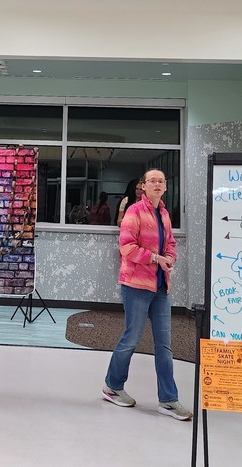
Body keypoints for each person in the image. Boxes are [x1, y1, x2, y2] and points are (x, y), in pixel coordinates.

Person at [102, 168, 192, 421]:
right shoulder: (134, 211)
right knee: (131, 338)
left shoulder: (163, 213)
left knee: (164, 345)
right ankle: (113, 386)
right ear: (143, 186)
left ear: (165, 187)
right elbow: (127, 247)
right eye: (152, 180)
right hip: (135, 285)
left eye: (161, 181)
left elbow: (170, 244)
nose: (157, 184)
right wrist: (155, 258)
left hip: (161, 287)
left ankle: (168, 399)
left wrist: (170, 258)